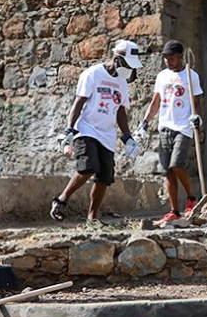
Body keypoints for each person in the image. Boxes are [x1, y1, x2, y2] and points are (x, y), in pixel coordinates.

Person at [50, 39, 142, 227]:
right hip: (86, 129)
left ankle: (92, 218)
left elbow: (120, 111)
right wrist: (70, 128)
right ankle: (61, 200)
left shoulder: (122, 83)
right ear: (118, 60)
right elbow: (79, 103)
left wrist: (127, 137)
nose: (130, 71)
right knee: (89, 166)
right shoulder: (92, 74)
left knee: (104, 177)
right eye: (128, 65)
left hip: (107, 135)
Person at [137, 40, 203, 226]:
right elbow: (155, 102)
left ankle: (191, 198)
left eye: (172, 58)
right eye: (166, 58)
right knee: (168, 172)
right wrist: (145, 123)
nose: (168, 61)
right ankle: (174, 211)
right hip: (165, 126)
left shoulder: (191, 76)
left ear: (180, 57)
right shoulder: (162, 76)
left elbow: (197, 101)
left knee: (177, 164)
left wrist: (197, 117)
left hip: (183, 126)